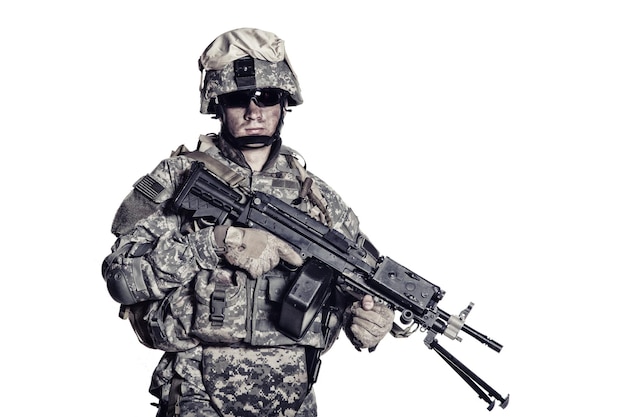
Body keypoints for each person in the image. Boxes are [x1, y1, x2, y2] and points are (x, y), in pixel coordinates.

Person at [101, 27, 395, 417]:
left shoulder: (320, 202)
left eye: (267, 97)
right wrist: (218, 241)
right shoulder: (177, 178)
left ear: (283, 103)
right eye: (239, 99)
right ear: (218, 104)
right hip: (195, 395)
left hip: (291, 399)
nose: (254, 111)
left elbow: (366, 281)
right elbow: (121, 279)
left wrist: (374, 321)